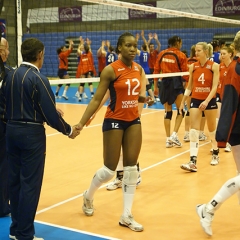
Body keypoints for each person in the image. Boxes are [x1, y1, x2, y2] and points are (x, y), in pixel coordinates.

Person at [2, 38, 79, 240]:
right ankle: (25, 234)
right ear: (40, 55)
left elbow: (10, 104)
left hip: (10, 132)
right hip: (31, 136)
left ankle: (15, 230)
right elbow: (50, 116)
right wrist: (69, 130)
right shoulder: (38, 79)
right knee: (30, 184)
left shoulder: (9, 76)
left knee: (15, 183)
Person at [75, 32, 153, 232]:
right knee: (109, 171)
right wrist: (81, 124)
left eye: (135, 46)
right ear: (119, 48)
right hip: (114, 120)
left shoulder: (138, 69)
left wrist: (145, 100)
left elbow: (134, 94)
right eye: (128, 45)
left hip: (133, 120)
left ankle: (126, 215)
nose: (133, 49)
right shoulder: (110, 70)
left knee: (131, 170)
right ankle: (88, 196)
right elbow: (96, 100)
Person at [196, 31, 240, 237]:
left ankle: (207, 209)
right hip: (238, 130)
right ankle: (208, 208)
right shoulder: (236, 68)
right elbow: (230, 104)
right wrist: (222, 136)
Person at [179, 42, 219, 172]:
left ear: (206, 52)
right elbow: (189, 86)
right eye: (195, 50)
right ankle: (193, 161)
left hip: (209, 101)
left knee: (212, 131)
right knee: (193, 131)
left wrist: (207, 101)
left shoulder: (214, 66)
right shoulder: (193, 66)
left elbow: (214, 87)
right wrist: (183, 101)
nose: (196, 53)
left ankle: (215, 152)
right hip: (195, 99)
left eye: (199, 51)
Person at [153, 35, 188, 148]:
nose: (181, 44)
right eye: (181, 42)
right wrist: (190, 84)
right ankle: (174, 135)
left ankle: (168, 139)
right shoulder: (181, 55)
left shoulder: (162, 53)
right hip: (175, 83)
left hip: (164, 83)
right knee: (181, 110)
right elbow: (185, 73)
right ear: (177, 42)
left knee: (168, 112)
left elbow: (156, 71)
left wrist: (155, 87)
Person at [183, 45, 207, 142]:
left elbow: (185, 77)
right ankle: (201, 132)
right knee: (203, 112)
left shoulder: (188, 61)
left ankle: (186, 133)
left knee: (189, 111)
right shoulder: (196, 64)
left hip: (190, 89)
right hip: (197, 89)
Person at [0, 37, 11, 217]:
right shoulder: (8, 73)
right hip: (3, 125)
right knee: (4, 166)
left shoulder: (9, 72)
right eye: (6, 48)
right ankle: (2, 206)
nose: (8, 52)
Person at [216, 46, 234, 152]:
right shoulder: (219, 67)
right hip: (220, 94)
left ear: (230, 54)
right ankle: (221, 142)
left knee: (230, 120)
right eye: (221, 54)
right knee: (219, 118)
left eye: (224, 54)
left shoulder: (234, 67)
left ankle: (230, 142)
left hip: (230, 96)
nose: (221, 56)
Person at [136, 30, 155, 102]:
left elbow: (134, 47)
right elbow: (147, 45)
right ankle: (153, 98)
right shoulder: (148, 53)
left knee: (142, 84)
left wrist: (137, 39)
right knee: (148, 85)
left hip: (142, 70)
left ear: (141, 48)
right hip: (148, 69)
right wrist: (143, 37)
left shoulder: (140, 53)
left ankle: (142, 97)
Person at [147, 33, 161, 101]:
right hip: (150, 69)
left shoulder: (155, 52)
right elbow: (146, 45)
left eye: (153, 46)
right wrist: (149, 40)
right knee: (149, 83)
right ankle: (151, 97)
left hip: (155, 69)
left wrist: (156, 40)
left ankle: (156, 96)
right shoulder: (148, 52)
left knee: (156, 83)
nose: (152, 47)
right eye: (151, 46)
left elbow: (159, 45)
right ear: (149, 47)